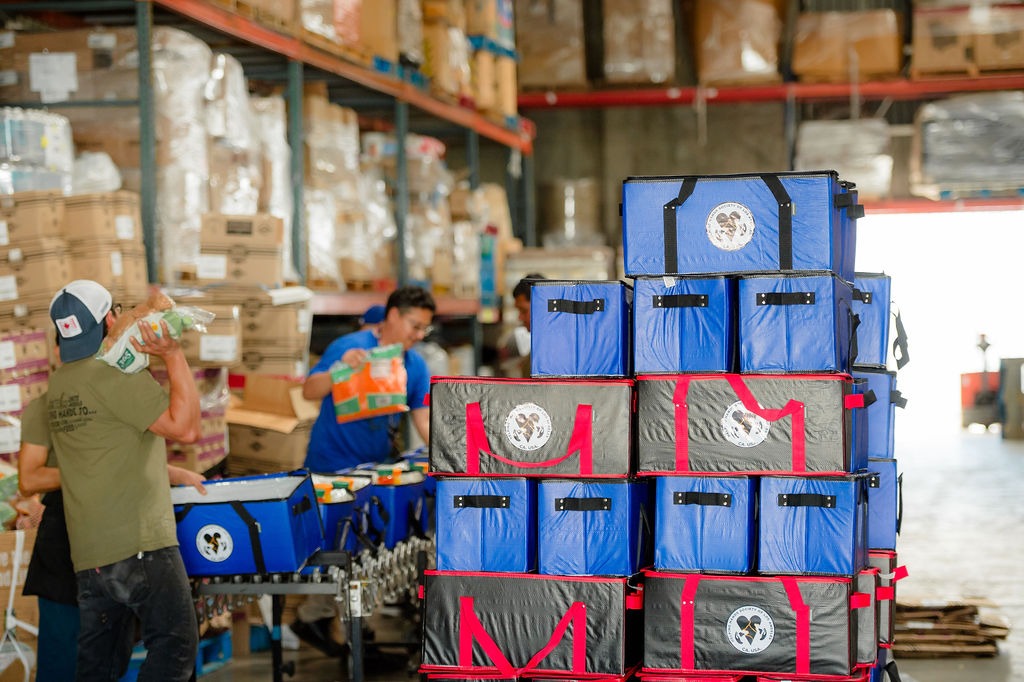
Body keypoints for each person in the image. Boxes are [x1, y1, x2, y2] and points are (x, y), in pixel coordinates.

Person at [19, 279, 202, 681]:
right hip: (141, 546)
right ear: (110, 319)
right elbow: (185, 428)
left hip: (91, 558)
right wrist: (172, 354)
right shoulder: (113, 379)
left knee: (98, 668)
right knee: (175, 648)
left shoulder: (61, 386)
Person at [293, 285, 435, 656]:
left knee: (368, 550)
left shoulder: (413, 364)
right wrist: (340, 371)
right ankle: (321, 619)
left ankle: (352, 630)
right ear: (392, 315)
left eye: (424, 330)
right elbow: (310, 390)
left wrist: (448, 456)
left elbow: (423, 417)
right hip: (331, 469)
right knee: (334, 552)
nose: (418, 336)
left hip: (375, 472)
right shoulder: (349, 347)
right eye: (414, 326)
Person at [498, 273, 546, 377]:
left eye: (523, 311)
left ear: (543, 307)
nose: (519, 318)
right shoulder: (535, 355)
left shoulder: (552, 356)